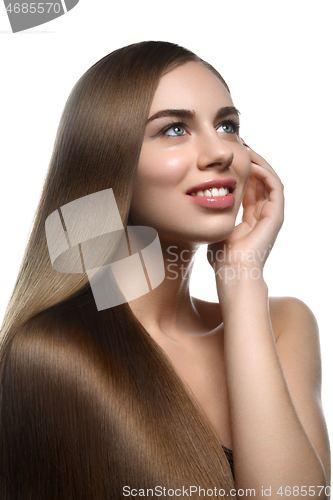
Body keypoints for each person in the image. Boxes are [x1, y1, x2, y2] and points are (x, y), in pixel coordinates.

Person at [0, 41, 330, 499]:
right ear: (108, 163)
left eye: (227, 125)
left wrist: (242, 280)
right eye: (175, 129)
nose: (221, 152)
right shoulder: (54, 354)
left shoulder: (285, 324)